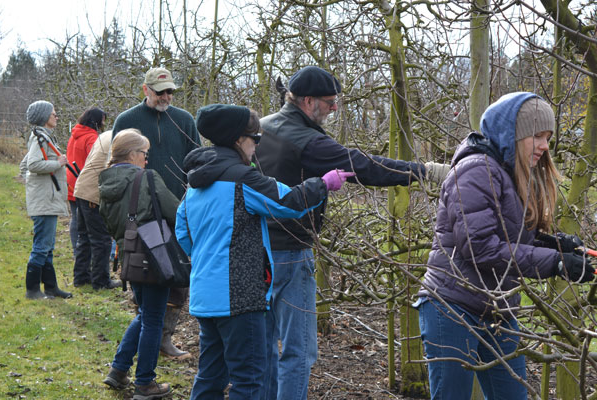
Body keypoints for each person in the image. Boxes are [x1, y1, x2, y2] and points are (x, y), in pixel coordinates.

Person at [255, 65, 449, 399]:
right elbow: (365, 166)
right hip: (290, 249)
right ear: (307, 101)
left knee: (264, 344)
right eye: (329, 102)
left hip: (257, 247)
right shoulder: (307, 141)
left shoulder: (261, 127)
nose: (334, 108)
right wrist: (425, 171)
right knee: (299, 350)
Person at [414, 92, 595, 399]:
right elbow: (480, 246)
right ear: (511, 133)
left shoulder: (510, 173)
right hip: (452, 307)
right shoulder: (475, 170)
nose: (544, 146)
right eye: (536, 136)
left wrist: (556, 246)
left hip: (498, 311)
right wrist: (555, 263)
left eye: (548, 137)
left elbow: (510, 235)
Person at [175, 104, 352, 399]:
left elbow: (182, 230)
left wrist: (211, 257)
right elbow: (290, 202)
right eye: (255, 138)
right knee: (250, 382)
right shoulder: (242, 180)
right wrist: (324, 183)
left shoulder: (197, 181)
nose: (257, 145)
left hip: (205, 295)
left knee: (210, 377)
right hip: (240, 298)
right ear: (237, 139)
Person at [112, 66, 200, 359]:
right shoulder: (127, 121)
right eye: (160, 91)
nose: (166, 96)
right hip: (141, 215)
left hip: (177, 211)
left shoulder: (185, 120)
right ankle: (147, 335)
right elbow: (116, 169)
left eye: (170, 91)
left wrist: (192, 201)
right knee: (145, 278)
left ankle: (163, 337)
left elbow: (196, 165)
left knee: (177, 279)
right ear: (145, 90)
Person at [99, 128, 175, 400]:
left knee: (145, 314)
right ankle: (145, 383)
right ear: (132, 154)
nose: (146, 159)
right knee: (154, 318)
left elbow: (109, 222)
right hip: (154, 254)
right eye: (144, 153)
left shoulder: (105, 181)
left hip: (129, 255)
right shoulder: (147, 178)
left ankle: (118, 370)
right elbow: (175, 211)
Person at [19, 101, 73, 300]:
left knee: (47, 246)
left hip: (46, 199)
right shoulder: (40, 138)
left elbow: (24, 165)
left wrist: (31, 183)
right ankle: (32, 290)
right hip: (44, 201)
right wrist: (57, 163)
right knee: (42, 246)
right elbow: (33, 164)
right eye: (53, 114)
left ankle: (51, 288)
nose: (56, 117)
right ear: (44, 117)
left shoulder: (43, 136)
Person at [67, 107, 119, 290]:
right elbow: (111, 170)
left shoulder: (105, 136)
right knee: (101, 239)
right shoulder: (116, 141)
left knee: (84, 237)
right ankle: (101, 281)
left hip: (80, 187)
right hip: (91, 191)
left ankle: (81, 278)